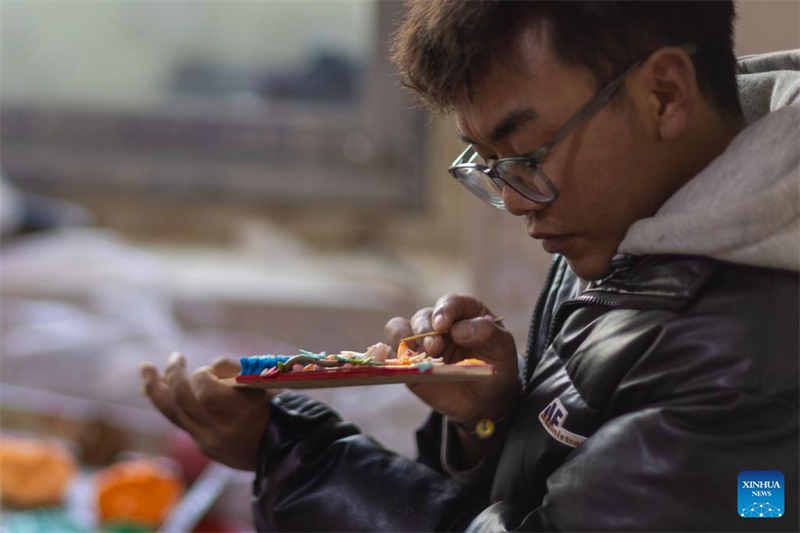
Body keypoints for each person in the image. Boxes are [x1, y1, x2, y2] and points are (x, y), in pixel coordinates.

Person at [141, 1, 800, 530]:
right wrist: (490, 419)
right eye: (491, 164)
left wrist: (287, 454)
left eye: (528, 154)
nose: (514, 200)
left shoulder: (749, 358)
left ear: (664, 94)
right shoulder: (648, 222)